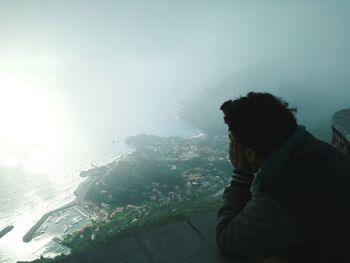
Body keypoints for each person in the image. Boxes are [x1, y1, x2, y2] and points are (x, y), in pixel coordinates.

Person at [216, 92, 350, 263]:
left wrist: (241, 174)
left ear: (248, 153)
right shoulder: (316, 148)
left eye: (232, 141)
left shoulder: (276, 189)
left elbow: (226, 239)